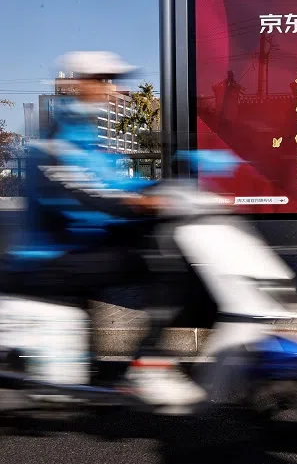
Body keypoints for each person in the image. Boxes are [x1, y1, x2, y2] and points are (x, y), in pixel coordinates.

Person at [1, 51, 207, 413]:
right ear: (78, 84)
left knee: (162, 242)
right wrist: (143, 204)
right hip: (49, 260)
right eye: (103, 80)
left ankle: (125, 366)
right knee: (159, 257)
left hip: (76, 247)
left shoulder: (83, 133)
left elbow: (111, 180)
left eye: (113, 80)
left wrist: (168, 188)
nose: (113, 89)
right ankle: (150, 365)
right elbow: (85, 193)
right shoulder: (56, 141)